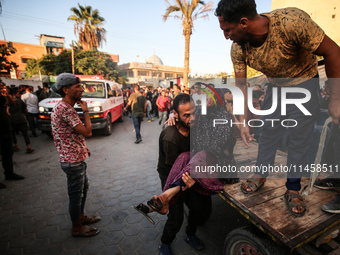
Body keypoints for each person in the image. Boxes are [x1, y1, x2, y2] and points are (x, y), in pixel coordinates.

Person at [216, 0, 340, 217]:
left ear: (243, 22)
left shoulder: (291, 22)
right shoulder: (238, 48)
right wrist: (243, 120)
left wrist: (335, 99)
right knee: (268, 132)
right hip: (275, 85)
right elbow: (242, 85)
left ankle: (293, 188)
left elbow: (333, 52)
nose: (226, 36)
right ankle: (261, 175)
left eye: (227, 30)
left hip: (304, 83)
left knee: (299, 139)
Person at [135, 91, 237, 254]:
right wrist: (185, 185)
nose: (193, 118)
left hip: (192, 171)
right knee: (176, 218)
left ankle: (189, 234)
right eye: (187, 115)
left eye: (194, 113)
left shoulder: (195, 124)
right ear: (176, 114)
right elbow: (174, 169)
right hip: (171, 174)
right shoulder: (171, 137)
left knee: (199, 209)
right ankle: (164, 242)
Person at [51, 73, 100, 237]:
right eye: (77, 86)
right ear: (66, 90)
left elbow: (67, 135)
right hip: (72, 161)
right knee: (76, 195)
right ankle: (77, 227)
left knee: (82, 189)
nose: (81, 89)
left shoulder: (64, 107)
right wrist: (86, 111)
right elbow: (87, 132)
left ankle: (81, 217)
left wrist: (82, 149)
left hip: (74, 158)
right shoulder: (66, 109)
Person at [0, 82, 25, 188]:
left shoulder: (3, 96)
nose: (2, 87)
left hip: (6, 128)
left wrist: (6, 95)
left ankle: (9, 173)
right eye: (1, 86)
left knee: (8, 153)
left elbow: (12, 104)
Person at [9, 87, 34, 154]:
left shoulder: (7, 102)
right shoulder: (19, 101)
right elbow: (25, 110)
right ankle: (28, 146)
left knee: (13, 133)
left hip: (12, 119)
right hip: (21, 118)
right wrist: (24, 114)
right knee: (25, 133)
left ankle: (16, 145)